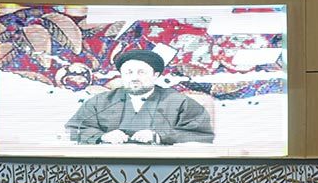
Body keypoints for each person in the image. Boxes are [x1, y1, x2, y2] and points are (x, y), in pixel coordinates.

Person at [65, 49, 214, 145]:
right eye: (129, 72)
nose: (134, 78)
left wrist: (159, 136)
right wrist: (101, 136)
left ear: (155, 75)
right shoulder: (101, 101)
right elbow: (72, 129)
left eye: (141, 72)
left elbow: (202, 135)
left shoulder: (178, 102)